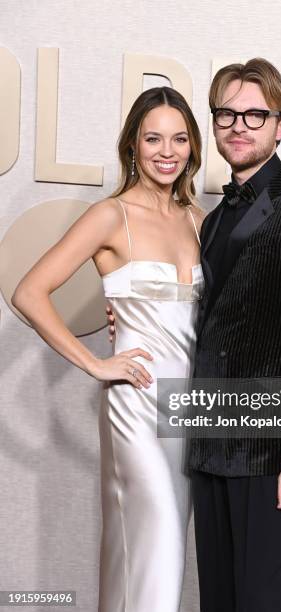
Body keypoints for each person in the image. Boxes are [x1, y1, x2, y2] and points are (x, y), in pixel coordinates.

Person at [109, 58, 281, 611]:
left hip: (273, 455)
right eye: (226, 114)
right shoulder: (214, 218)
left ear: (280, 124)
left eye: (254, 115)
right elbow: (208, 315)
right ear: (214, 124)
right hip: (211, 449)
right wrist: (128, 313)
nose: (238, 125)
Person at [11, 86, 205, 612]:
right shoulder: (110, 216)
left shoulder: (198, 220)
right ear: (132, 147)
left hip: (188, 414)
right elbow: (28, 292)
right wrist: (96, 363)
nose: (167, 151)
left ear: (193, 147)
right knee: (158, 549)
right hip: (135, 409)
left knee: (145, 558)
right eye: (153, 139)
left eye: (180, 139)